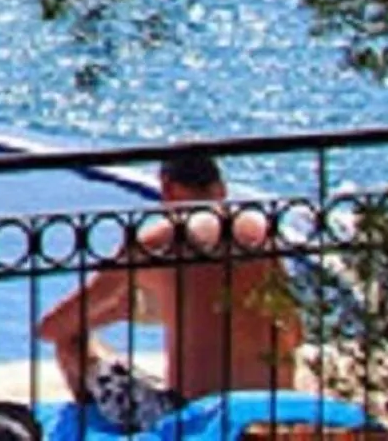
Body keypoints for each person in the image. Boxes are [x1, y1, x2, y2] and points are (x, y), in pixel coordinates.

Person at [36, 151, 302, 435]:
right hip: (273, 410)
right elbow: (296, 333)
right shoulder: (262, 233)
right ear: (221, 188)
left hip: (197, 418)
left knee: (73, 343)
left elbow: (52, 328)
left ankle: (104, 433)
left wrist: (119, 312)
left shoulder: (160, 242)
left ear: (168, 188)